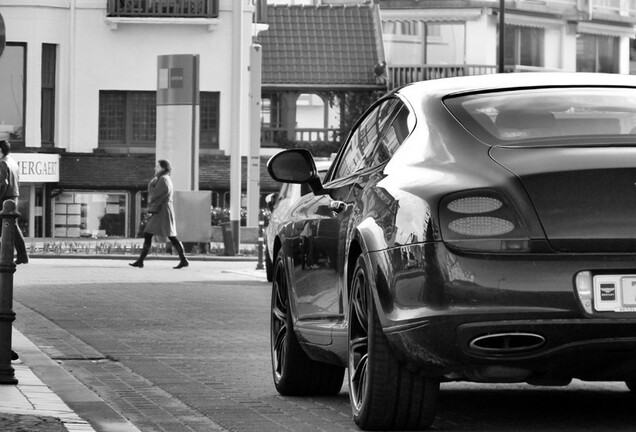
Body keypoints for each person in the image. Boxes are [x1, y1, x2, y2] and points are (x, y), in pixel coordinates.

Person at [129, 159, 189, 269]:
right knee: (165, 235)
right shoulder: (164, 178)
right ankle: (141, 261)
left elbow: (154, 194)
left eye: (157, 166)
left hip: (163, 210)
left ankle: (141, 261)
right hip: (163, 209)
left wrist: (150, 185)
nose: (154, 168)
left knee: (162, 235)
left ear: (162, 168)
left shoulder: (163, 179)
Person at [0, 140, 28, 265]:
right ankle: (22, 256)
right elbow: (18, 181)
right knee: (13, 228)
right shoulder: (13, 162)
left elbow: (2, 183)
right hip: (13, 197)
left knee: (12, 228)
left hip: (4, 199)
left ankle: (19, 256)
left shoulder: (2, 162)